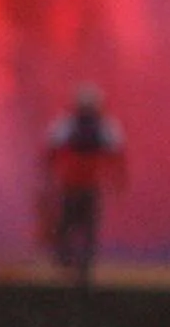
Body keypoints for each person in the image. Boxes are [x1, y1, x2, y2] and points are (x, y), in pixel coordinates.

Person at [39, 85, 125, 284]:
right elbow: (117, 154)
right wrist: (117, 178)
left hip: (74, 182)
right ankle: (80, 264)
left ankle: (71, 261)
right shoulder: (105, 126)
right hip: (85, 183)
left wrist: (47, 175)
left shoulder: (67, 124)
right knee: (86, 225)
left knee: (70, 224)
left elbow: (51, 152)